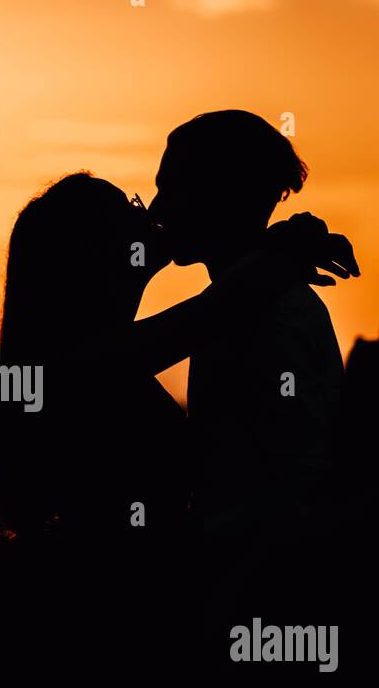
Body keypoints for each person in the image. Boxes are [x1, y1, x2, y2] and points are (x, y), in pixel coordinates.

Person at [0, 168, 358, 545]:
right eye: (127, 208)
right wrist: (278, 249)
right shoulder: (83, 364)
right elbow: (215, 311)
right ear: (90, 249)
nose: (148, 212)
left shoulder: (87, 357)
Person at [148, 110, 358, 553]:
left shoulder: (267, 314)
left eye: (171, 189)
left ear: (223, 194)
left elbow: (296, 481)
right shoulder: (243, 301)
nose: (156, 209)